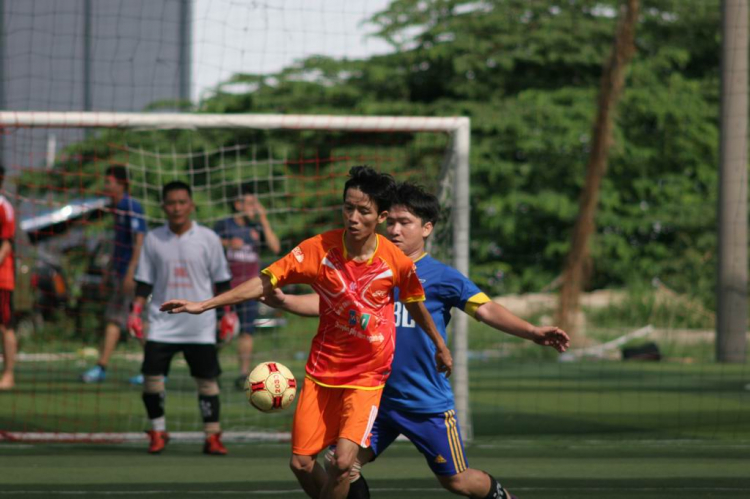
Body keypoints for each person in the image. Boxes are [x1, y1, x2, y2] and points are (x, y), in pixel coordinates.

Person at [160, 166, 453, 499]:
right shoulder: (318, 249)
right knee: (300, 463)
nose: (353, 217)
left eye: (363, 211)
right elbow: (265, 281)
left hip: (368, 377)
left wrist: (440, 344)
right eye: (347, 208)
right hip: (322, 373)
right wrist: (204, 304)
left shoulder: (395, 260)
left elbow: (415, 302)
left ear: (382, 216)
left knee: (343, 463)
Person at [266, 182, 571, 499]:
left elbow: (487, 309)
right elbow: (329, 306)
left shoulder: (442, 277)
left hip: (425, 402)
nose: (395, 230)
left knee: (457, 481)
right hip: (376, 396)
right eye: (392, 222)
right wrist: (286, 301)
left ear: (427, 228)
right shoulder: (369, 265)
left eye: (405, 223)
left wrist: (533, 332)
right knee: (341, 465)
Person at [129, 181, 238, 455]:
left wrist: (228, 314)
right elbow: (143, 282)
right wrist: (135, 312)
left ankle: (212, 436)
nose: (176, 208)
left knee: (207, 380)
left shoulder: (209, 239)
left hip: (199, 323)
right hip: (162, 323)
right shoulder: (154, 238)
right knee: (151, 377)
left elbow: (222, 281)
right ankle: (158, 430)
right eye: (171, 203)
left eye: (181, 202)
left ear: (191, 205)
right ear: (164, 206)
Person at [81, 164, 147, 383]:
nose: (105, 186)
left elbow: (139, 240)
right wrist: (110, 271)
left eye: (109, 182)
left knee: (135, 321)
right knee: (116, 320)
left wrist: (131, 272)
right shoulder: (116, 207)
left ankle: (155, 369)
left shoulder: (131, 205)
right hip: (121, 273)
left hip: (132, 274)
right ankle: (102, 367)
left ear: (122, 184)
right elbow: (118, 245)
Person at [214, 190, 280, 390]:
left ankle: (243, 375)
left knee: (246, 332)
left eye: (255, 203)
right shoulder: (225, 225)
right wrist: (227, 244)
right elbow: (209, 244)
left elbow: (275, 247)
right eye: (250, 203)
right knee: (222, 333)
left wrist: (264, 220)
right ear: (238, 205)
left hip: (251, 289)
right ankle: (212, 369)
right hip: (226, 288)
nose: (254, 207)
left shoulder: (257, 227)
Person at [0, 163, 17, 391]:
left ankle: (9, 374)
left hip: (1, 279)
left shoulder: (4, 206)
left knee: (5, 325)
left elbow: (6, 244)